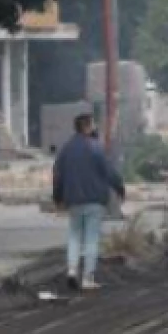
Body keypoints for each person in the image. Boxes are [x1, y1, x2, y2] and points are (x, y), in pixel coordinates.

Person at [52, 113, 126, 292]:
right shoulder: (96, 148)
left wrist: (58, 197)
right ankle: (87, 278)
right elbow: (108, 171)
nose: (94, 127)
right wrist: (120, 188)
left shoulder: (66, 149)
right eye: (92, 124)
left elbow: (57, 174)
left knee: (74, 236)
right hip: (94, 200)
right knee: (92, 239)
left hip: (74, 200)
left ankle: (71, 271)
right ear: (86, 126)